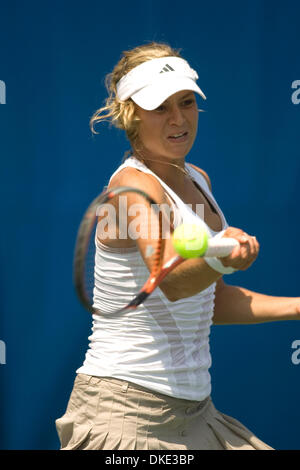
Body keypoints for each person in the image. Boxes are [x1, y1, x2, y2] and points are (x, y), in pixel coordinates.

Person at [55, 42, 300, 450]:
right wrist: (222, 261)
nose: (179, 119)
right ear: (131, 114)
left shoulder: (199, 179)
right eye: (160, 107)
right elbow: (169, 281)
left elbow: (211, 300)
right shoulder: (130, 189)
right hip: (125, 416)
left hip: (197, 413)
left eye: (186, 102)